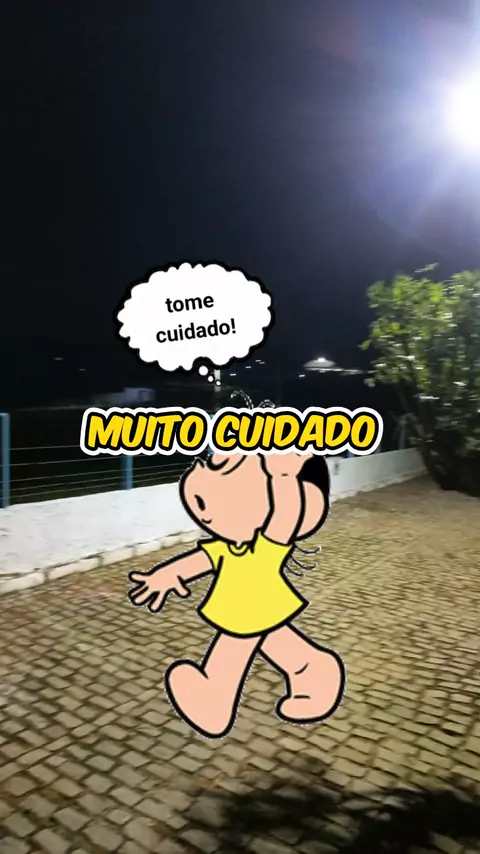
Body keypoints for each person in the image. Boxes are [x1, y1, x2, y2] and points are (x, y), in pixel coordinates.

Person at [128, 450, 345, 738]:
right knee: (278, 642)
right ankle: (312, 668)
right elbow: (200, 561)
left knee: (235, 646)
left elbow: (285, 517)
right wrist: (166, 575)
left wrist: (282, 477)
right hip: (247, 609)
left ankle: (214, 698)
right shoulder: (227, 546)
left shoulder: (267, 545)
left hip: (253, 607)